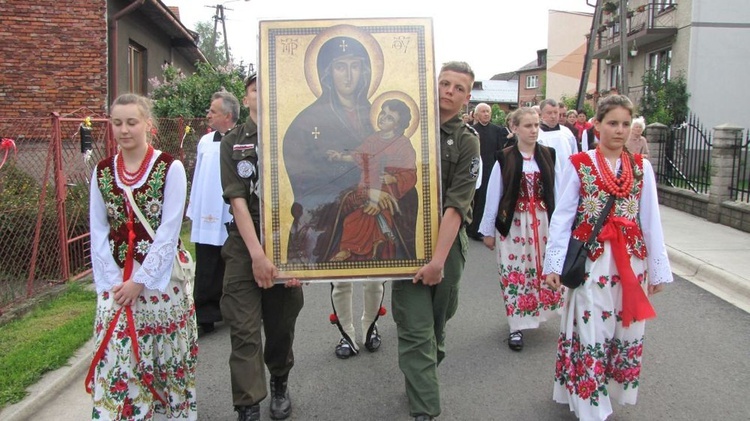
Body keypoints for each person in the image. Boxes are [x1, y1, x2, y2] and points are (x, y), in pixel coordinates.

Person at [543, 95, 672, 421]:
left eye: (626, 124)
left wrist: (656, 271)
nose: (620, 130)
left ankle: (607, 390)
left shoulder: (641, 168)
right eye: (612, 123)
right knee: (592, 328)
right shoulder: (580, 164)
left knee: (623, 330)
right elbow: (563, 216)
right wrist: (554, 264)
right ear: (597, 125)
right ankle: (589, 405)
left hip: (630, 264)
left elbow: (651, 220)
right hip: (591, 263)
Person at [87, 93, 198, 419]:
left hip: (160, 283)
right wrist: (111, 283)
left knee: (162, 360)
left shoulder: (170, 168)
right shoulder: (103, 171)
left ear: (147, 125)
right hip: (117, 283)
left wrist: (141, 280)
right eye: (117, 122)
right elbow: (98, 229)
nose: (124, 130)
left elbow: (169, 230)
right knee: (116, 358)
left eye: (131, 122)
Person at [392, 61, 480, 421]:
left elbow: (456, 206)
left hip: (447, 249)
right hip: (404, 245)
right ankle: (425, 409)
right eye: (444, 83)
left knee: (436, 326)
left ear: (467, 96)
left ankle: (422, 369)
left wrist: (438, 262)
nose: (449, 91)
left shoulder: (467, 141)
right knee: (415, 328)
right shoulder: (408, 133)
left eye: (458, 88)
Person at [220, 72, 304, 421]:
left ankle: (280, 381)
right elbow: (237, 201)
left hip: (288, 239)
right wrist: (256, 255)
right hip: (245, 242)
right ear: (247, 96)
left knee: (281, 325)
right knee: (243, 328)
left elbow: (312, 196)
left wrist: (303, 259)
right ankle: (248, 404)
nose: (263, 95)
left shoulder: (295, 136)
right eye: (256, 90)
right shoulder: (232, 142)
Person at [325, 98, 418, 358]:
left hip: (388, 200)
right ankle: (346, 334)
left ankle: (369, 327)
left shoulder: (402, 144)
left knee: (373, 276)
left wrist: (392, 181)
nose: (383, 118)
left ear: (400, 124)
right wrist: (340, 155)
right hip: (362, 193)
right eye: (383, 114)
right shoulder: (374, 139)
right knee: (351, 223)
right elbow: (358, 156)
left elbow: (410, 175)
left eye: (390, 116)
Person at [282, 35, 374, 264]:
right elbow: (301, 175)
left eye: (355, 66)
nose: (349, 75)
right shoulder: (307, 121)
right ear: (327, 73)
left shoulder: (378, 116)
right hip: (328, 206)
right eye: (340, 67)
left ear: (365, 71)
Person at [479, 107, 563, 351]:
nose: (534, 130)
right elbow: (493, 194)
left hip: (543, 223)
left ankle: (543, 313)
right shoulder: (505, 157)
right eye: (528, 126)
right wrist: (488, 231)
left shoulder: (548, 155)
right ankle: (516, 324)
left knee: (545, 268)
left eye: (536, 125)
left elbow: (557, 191)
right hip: (515, 224)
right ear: (514, 128)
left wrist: (561, 227)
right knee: (516, 271)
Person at [187, 91, 238, 334]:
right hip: (208, 208)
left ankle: (234, 309)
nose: (208, 115)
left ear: (227, 116)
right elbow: (199, 177)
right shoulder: (205, 142)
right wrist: (194, 207)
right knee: (207, 263)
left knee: (234, 262)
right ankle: (205, 314)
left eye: (213, 111)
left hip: (231, 210)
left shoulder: (242, 140)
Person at [468, 102, 504, 241]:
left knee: (487, 198)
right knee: (476, 198)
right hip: (475, 168)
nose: (486, 114)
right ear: (476, 115)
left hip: (491, 168)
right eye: (483, 111)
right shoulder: (471, 130)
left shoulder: (497, 130)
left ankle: (483, 229)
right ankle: (472, 227)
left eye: (488, 111)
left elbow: (499, 150)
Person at [537, 98, 575, 202]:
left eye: (555, 112)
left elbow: (575, 154)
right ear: (541, 114)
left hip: (565, 177)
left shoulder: (567, 133)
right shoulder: (536, 134)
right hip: (545, 179)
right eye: (549, 113)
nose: (553, 116)